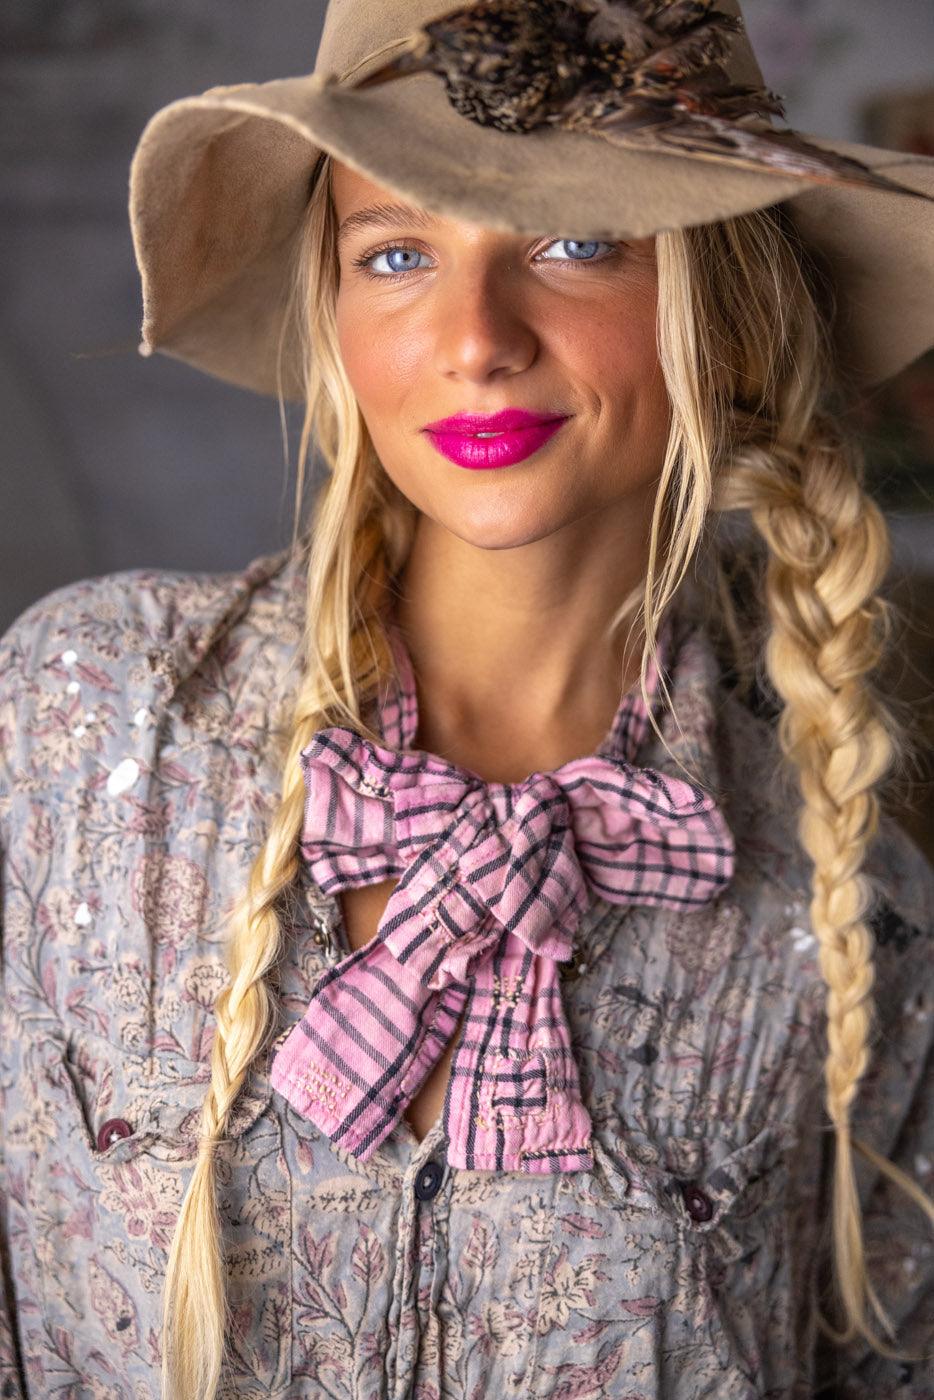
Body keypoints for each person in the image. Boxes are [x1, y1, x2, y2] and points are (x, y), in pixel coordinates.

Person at [2, 1, 933, 1398]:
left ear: (730, 320)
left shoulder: (849, 910)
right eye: (394, 254)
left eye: (573, 244)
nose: (474, 337)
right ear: (333, 313)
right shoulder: (81, 721)